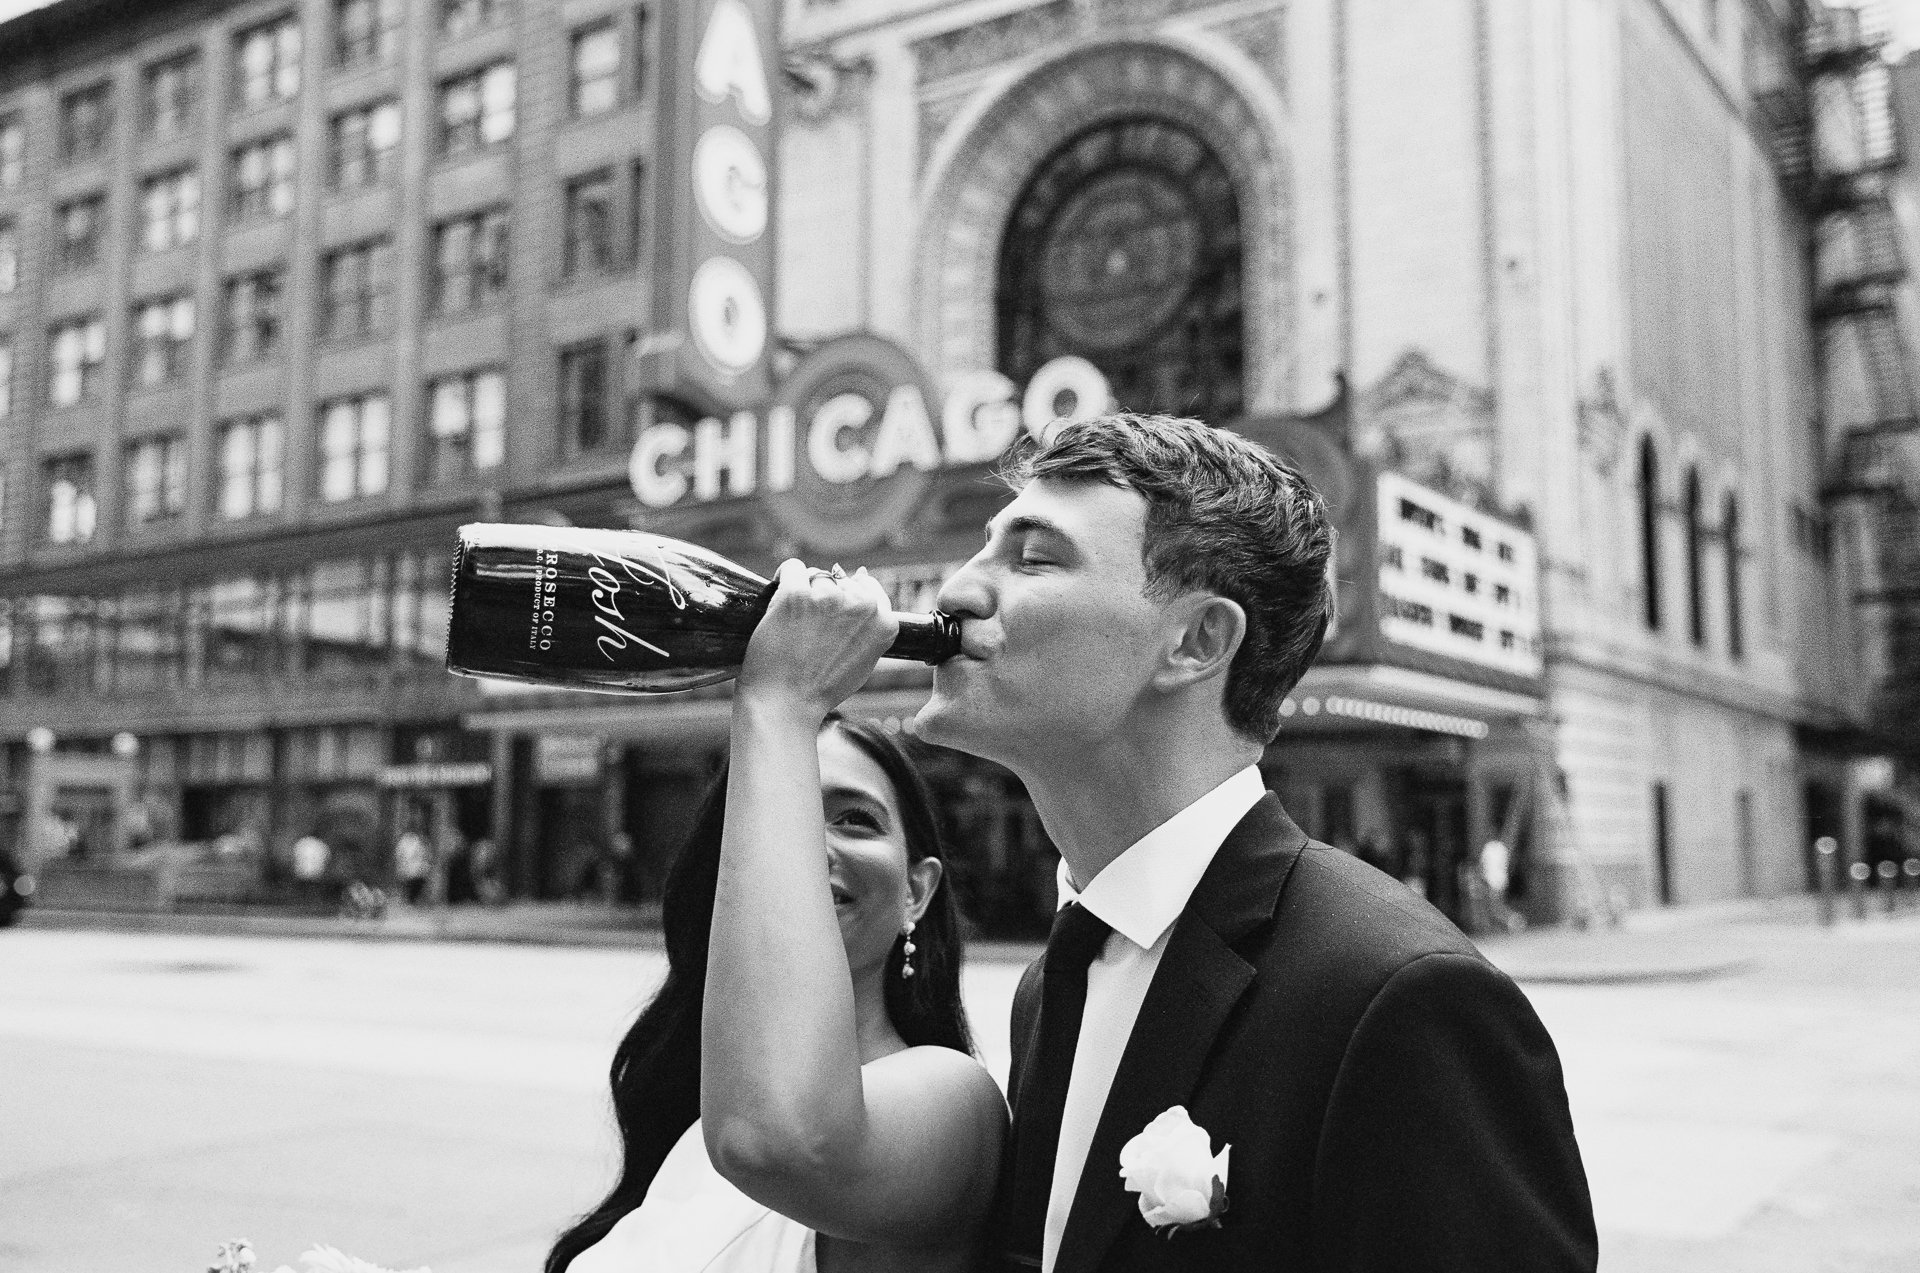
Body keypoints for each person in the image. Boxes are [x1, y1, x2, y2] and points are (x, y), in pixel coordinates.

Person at [905, 414, 1595, 1272]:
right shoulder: (1053, 981)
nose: (956, 592)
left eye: (1035, 556)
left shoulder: (1404, 1000)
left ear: (1197, 641)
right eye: (984, 547)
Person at [545, 586, 1005, 1273]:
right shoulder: (700, 1129)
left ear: (918, 889)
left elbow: (783, 1140)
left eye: (855, 818)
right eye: (783, 810)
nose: (806, 846)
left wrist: (779, 702)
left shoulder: (955, 1106)